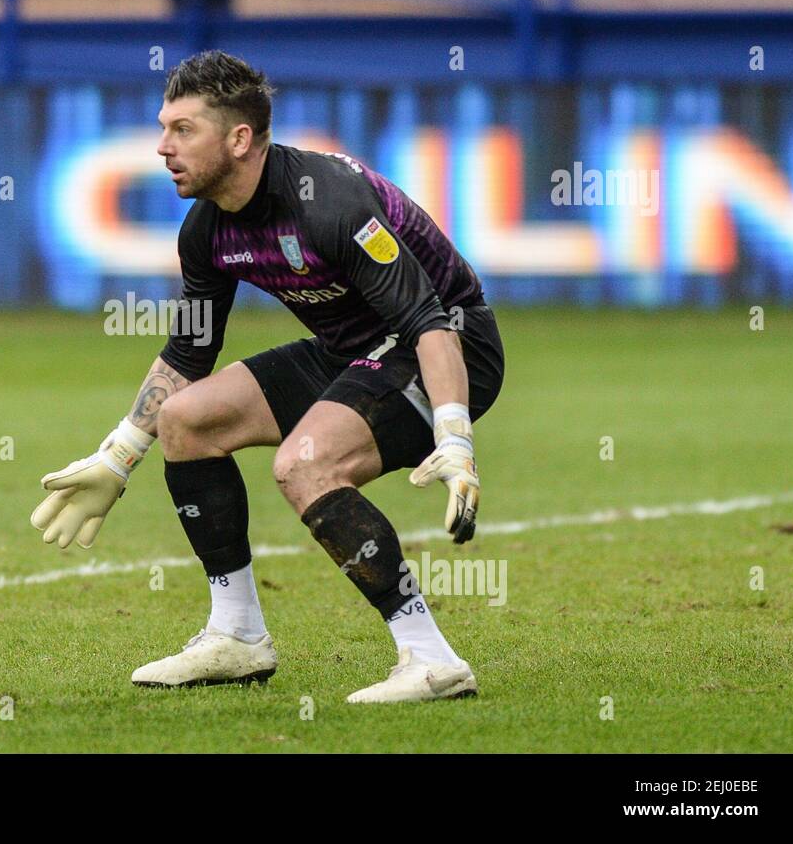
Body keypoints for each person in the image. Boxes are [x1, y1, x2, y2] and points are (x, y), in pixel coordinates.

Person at [31, 50, 505, 703]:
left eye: (182, 129)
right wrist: (118, 456)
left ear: (240, 138)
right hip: (350, 350)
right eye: (163, 127)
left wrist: (454, 434)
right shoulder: (205, 230)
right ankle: (238, 636)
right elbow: (188, 352)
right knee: (186, 420)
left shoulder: (332, 200)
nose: (162, 146)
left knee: (304, 463)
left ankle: (431, 658)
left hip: (451, 346)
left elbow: (429, 319)